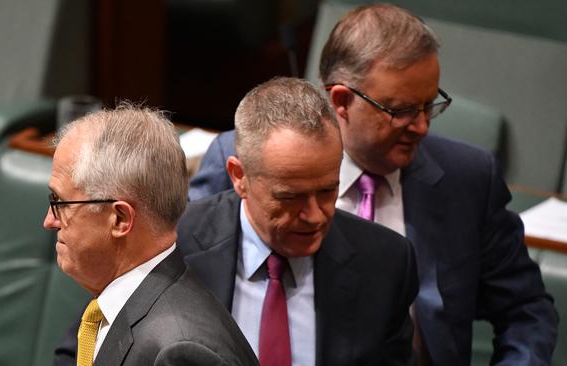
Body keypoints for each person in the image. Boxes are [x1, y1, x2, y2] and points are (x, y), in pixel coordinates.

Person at [188, 4, 558, 366]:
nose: (422, 126)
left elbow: (527, 311)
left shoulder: (469, 178)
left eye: (429, 105)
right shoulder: (247, 157)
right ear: (341, 101)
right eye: (401, 111)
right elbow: (188, 265)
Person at [180, 77, 418, 365]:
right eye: (290, 197)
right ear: (239, 177)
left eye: (328, 191)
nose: (315, 216)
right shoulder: (174, 247)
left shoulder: (385, 266)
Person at [44, 105, 258, 366]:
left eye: (59, 202)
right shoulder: (119, 303)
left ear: (120, 219)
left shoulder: (180, 352)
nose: (49, 221)